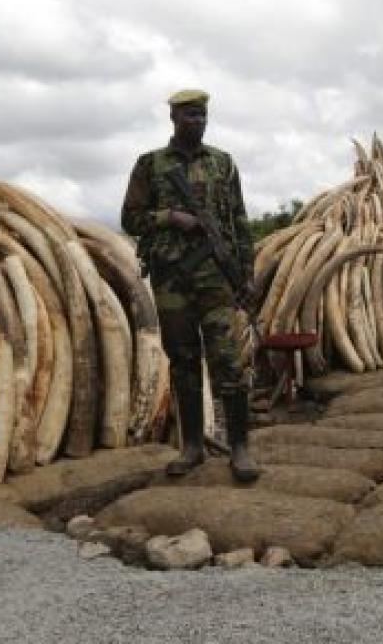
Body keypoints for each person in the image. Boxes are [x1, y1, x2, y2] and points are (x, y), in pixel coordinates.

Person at [120, 89, 261, 482]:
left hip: (216, 279)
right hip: (172, 279)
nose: (196, 122)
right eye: (189, 116)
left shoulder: (222, 163)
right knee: (182, 362)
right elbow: (131, 219)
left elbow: (239, 222)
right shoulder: (150, 165)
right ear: (173, 119)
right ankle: (193, 447)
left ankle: (240, 448)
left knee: (229, 362)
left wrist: (246, 276)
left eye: (201, 116)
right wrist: (171, 217)